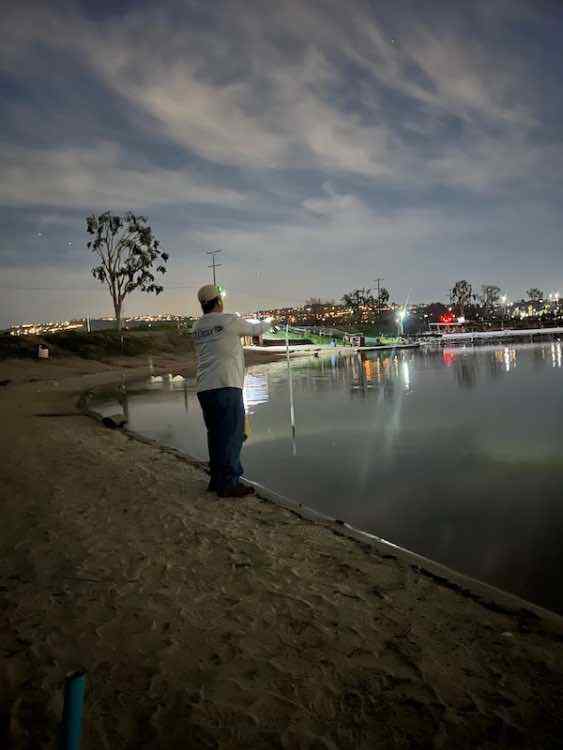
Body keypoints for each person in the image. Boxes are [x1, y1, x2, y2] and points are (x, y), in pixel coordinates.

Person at [192, 284, 272, 498]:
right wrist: (270, 321)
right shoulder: (228, 320)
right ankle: (229, 483)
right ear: (218, 301)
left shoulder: (197, 327)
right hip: (226, 385)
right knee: (233, 435)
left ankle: (217, 480)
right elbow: (255, 329)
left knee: (216, 435)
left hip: (205, 388)